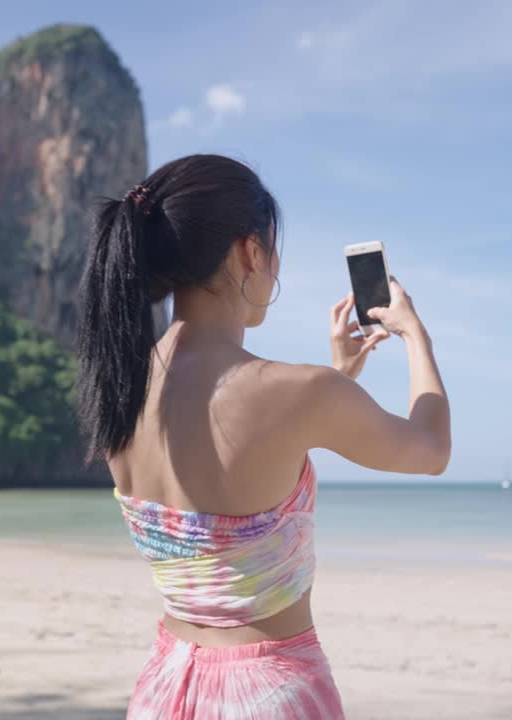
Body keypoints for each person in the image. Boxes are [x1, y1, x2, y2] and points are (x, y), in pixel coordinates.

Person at [76, 154, 451, 719]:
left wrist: (336, 379)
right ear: (249, 252)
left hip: (166, 685)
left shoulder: (120, 384)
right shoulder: (300, 394)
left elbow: (230, 451)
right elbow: (431, 450)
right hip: (268, 693)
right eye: (274, 252)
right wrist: (415, 334)